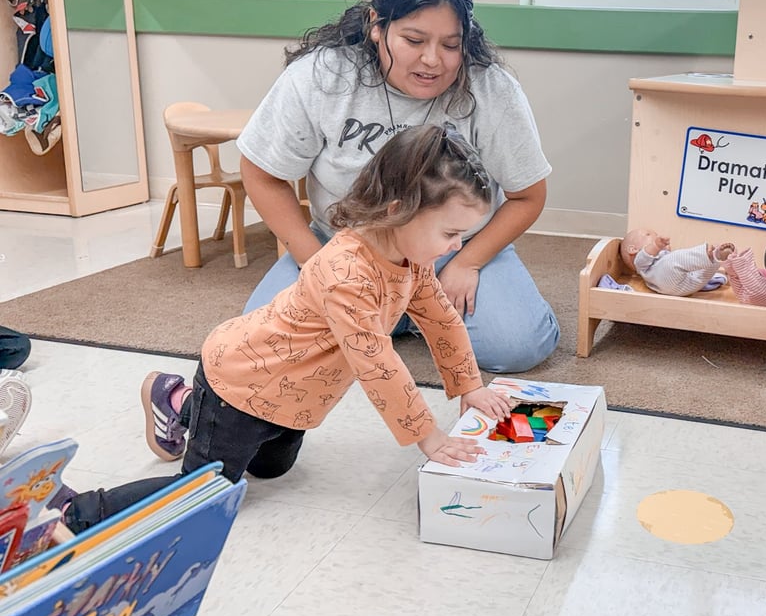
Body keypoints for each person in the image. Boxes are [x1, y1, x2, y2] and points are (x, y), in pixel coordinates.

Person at [63, 125, 514, 534]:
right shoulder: (346, 273)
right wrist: (428, 436)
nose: (457, 247)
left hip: (288, 398)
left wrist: (468, 386)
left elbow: (441, 319)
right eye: (451, 233)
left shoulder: (410, 260)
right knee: (206, 495)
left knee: (273, 469)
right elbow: (379, 366)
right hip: (238, 386)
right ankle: (76, 513)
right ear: (398, 211)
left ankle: (178, 401)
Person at [237, 0, 558, 373]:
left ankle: (399, 315)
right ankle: (402, 316)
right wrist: (312, 260)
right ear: (376, 24)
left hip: (453, 248)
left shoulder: (490, 88)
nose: (432, 60)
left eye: (451, 44)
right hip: (346, 249)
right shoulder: (321, 77)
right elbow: (261, 173)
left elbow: (528, 196)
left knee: (519, 346)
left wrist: (468, 261)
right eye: (413, 40)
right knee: (261, 346)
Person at [620, 228, 734, 296]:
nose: (656, 236)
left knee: (700, 275)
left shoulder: (663, 259)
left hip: (686, 286)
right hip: (665, 279)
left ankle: (716, 257)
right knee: (676, 259)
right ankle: (708, 255)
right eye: (648, 235)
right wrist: (656, 245)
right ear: (632, 249)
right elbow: (644, 257)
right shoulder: (642, 265)